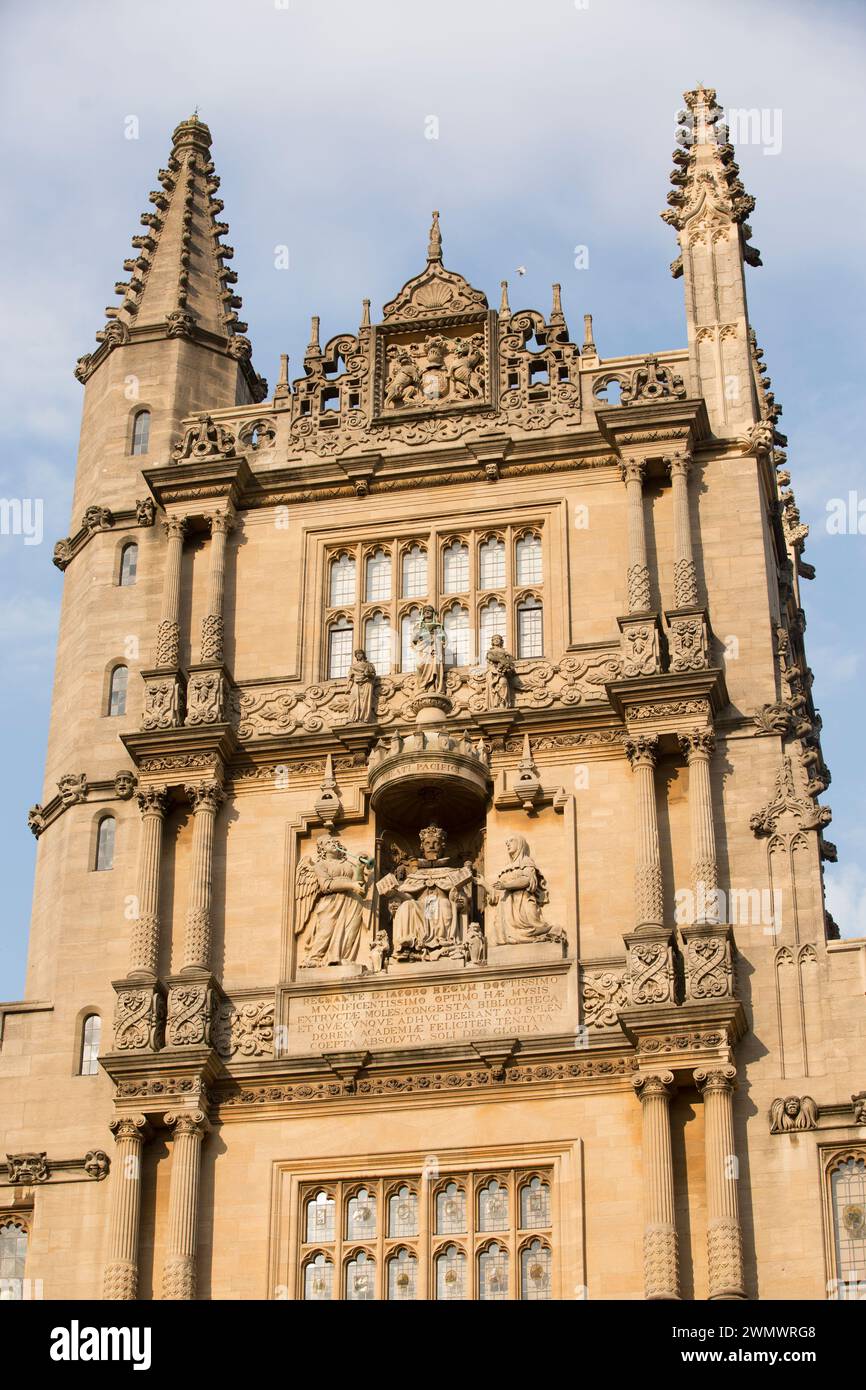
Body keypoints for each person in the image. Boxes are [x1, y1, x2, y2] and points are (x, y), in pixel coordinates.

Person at [295, 835, 370, 966]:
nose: (333, 843)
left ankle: (343, 958)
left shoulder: (348, 864)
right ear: (322, 849)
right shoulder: (320, 865)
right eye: (328, 842)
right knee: (326, 929)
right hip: (331, 901)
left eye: (334, 841)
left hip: (352, 901)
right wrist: (351, 885)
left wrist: (359, 867)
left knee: (350, 930)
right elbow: (325, 885)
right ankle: (315, 958)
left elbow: (359, 882)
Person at [487, 834, 563, 946]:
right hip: (506, 907)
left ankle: (550, 931)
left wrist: (506, 886)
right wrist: (483, 883)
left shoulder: (526, 861)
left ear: (520, 844)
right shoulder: (506, 867)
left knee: (530, 929)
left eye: (511, 841)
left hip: (522, 903)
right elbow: (498, 893)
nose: (507, 844)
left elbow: (527, 880)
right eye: (506, 842)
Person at [346, 648, 376, 723]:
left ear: (363, 655)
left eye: (360, 653)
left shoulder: (369, 665)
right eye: (356, 654)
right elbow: (350, 678)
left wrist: (368, 674)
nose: (358, 655)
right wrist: (348, 688)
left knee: (364, 701)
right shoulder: (353, 667)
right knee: (353, 701)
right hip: (355, 684)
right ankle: (352, 718)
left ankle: (363, 718)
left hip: (366, 684)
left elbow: (373, 675)